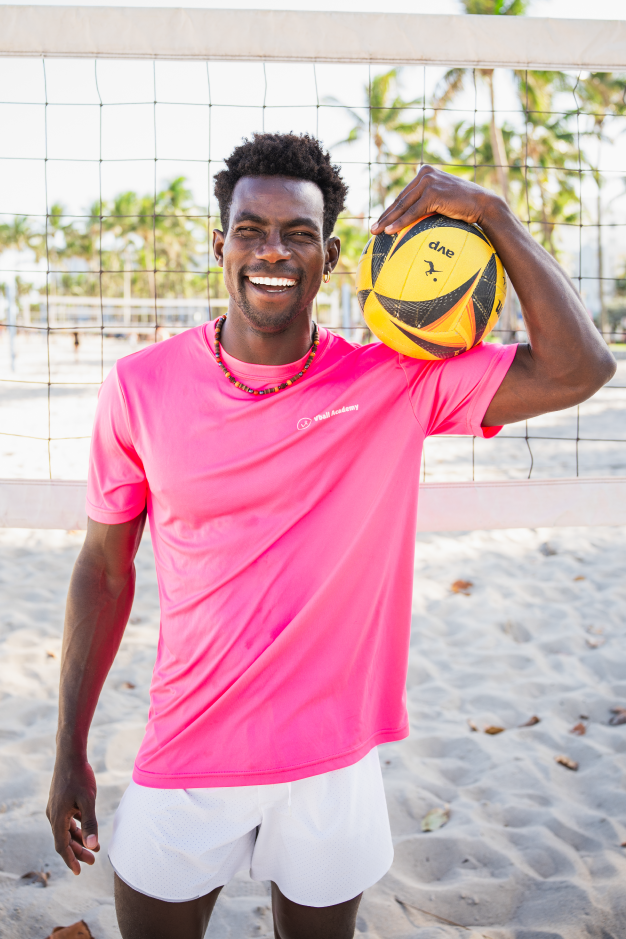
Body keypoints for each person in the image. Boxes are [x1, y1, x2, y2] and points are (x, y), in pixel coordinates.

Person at [47, 133, 615, 939]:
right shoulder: (139, 385)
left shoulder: (394, 380)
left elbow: (580, 368)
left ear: (335, 255)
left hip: (332, 761)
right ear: (220, 244)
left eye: (298, 234)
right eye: (250, 230)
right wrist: (69, 745)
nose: (271, 251)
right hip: (190, 746)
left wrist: (491, 211)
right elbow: (104, 571)